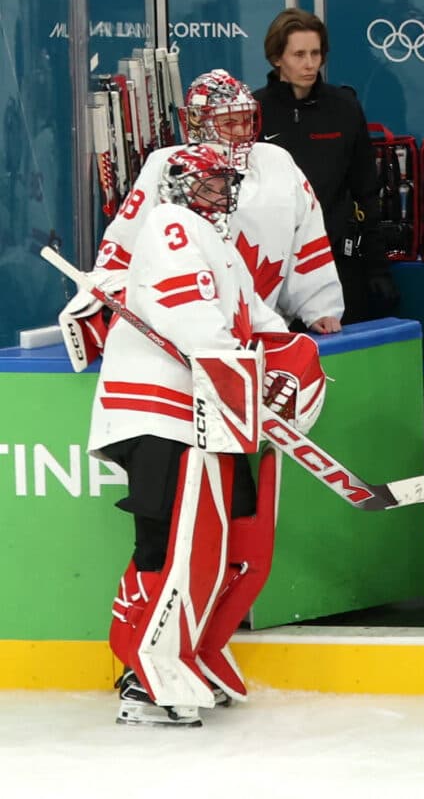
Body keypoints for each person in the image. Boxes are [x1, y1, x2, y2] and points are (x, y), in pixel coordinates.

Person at [59, 144, 325, 727]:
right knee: (172, 541)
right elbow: (194, 322)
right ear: (180, 188)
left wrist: (287, 357)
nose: (222, 195)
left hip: (207, 415)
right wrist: (244, 366)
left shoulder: (219, 246)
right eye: (209, 185)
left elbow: (261, 321)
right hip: (157, 412)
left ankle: (193, 647)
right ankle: (143, 673)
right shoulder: (170, 226)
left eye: (225, 185)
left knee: (231, 538)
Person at [102, 68, 341, 335]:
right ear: (198, 124)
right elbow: (123, 247)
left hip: (263, 328)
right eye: (229, 123)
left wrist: (319, 306)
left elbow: (308, 237)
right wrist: (109, 305)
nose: (242, 131)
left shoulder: (277, 162)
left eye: (247, 119)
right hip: (182, 330)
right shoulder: (168, 168)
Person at [253, 8, 389, 323]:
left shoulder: (344, 107)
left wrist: (377, 267)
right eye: (299, 54)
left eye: (315, 53)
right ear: (277, 58)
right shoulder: (254, 111)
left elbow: (366, 191)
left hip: (337, 261)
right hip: (274, 265)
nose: (310, 63)